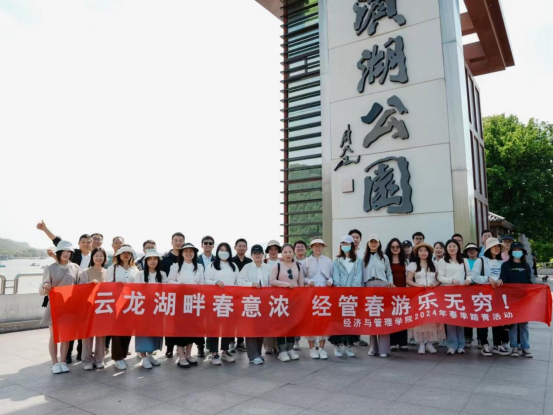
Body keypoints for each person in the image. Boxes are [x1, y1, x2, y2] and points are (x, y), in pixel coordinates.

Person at [40, 241, 80, 374]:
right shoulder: (50, 268)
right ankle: (54, 363)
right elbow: (44, 283)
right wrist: (45, 285)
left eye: (69, 251)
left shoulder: (75, 267)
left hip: (69, 306)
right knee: (54, 335)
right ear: (59, 252)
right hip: (55, 305)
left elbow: (80, 285)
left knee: (66, 336)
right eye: (64, 251)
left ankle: (63, 361)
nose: (66, 254)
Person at [167, 243, 205, 368]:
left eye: (191, 251)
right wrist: (179, 286)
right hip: (180, 302)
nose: (188, 253)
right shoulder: (175, 266)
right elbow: (169, 281)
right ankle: (181, 356)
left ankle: (188, 354)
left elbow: (202, 283)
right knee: (181, 330)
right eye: (186, 251)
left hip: (194, 302)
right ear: (181, 253)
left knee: (192, 329)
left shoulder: (199, 267)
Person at [471, 238, 509, 356]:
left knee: (497, 319)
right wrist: (487, 278)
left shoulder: (502, 262)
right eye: (494, 246)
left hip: (498, 295)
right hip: (484, 295)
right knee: (484, 318)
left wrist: (501, 279)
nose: (497, 248)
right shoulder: (481, 260)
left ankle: (497, 343)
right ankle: (484, 343)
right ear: (488, 248)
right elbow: (474, 277)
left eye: (498, 246)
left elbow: (505, 276)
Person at [205, 242, 239, 365]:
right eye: (221, 249)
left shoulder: (234, 266)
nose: (223, 252)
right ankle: (214, 353)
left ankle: (225, 351)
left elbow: (237, 282)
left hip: (229, 301)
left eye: (226, 250)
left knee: (227, 327)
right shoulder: (211, 266)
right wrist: (215, 282)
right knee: (214, 327)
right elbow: (205, 280)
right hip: (215, 301)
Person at [105, 244, 139, 370]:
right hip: (116, 303)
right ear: (119, 254)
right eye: (124, 252)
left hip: (130, 303)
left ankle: (123, 355)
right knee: (117, 332)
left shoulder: (134, 269)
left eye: (128, 253)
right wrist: (117, 286)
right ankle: (117, 357)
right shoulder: (112, 268)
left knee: (127, 331)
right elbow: (107, 285)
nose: (126, 255)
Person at [406, 242, 444, 354]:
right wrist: (418, 286)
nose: (423, 252)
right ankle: (421, 344)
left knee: (432, 319)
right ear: (417, 253)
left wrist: (435, 284)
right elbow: (408, 280)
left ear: (429, 253)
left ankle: (430, 343)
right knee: (420, 319)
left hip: (432, 296)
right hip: (419, 295)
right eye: (420, 250)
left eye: (425, 250)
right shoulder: (413, 265)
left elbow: (440, 279)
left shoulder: (435, 264)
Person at [497, 242, 533, 358]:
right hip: (511, 299)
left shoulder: (526, 266)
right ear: (511, 252)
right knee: (513, 323)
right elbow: (503, 279)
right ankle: (514, 347)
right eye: (515, 250)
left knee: (524, 324)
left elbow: (530, 282)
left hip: (524, 298)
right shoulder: (505, 265)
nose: (517, 251)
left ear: (522, 252)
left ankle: (525, 347)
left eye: (519, 250)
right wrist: (500, 279)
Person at [329, 235, 363, 357]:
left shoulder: (358, 260)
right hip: (340, 296)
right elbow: (336, 277)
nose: (345, 246)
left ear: (352, 245)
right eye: (343, 244)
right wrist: (340, 291)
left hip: (352, 296)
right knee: (338, 321)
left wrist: (352, 291)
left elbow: (358, 277)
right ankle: (337, 346)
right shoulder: (337, 260)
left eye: (347, 244)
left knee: (350, 321)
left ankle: (349, 346)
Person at [270, 243, 304, 362]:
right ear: (282, 254)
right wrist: (286, 285)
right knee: (281, 325)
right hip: (280, 300)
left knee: (292, 324)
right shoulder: (277, 266)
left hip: (294, 300)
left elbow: (300, 283)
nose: (288, 254)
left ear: (293, 252)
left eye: (290, 252)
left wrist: (300, 297)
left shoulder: (298, 266)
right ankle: (282, 350)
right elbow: (272, 281)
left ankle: (290, 348)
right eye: (285, 252)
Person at [238, 244, 271, 364]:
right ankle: (252, 356)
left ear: (263, 255)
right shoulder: (247, 268)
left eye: (259, 253)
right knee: (251, 328)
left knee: (260, 328)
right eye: (255, 253)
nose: (257, 255)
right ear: (251, 255)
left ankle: (258, 353)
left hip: (264, 302)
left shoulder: (268, 267)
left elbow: (272, 282)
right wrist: (251, 284)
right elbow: (240, 281)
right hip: (250, 302)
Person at [134, 249, 167, 369]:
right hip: (143, 308)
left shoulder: (162, 274)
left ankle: (150, 355)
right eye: (150, 259)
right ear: (146, 261)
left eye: (155, 259)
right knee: (143, 333)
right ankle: (143, 358)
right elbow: (135, 291)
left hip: (157, 308)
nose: (153, 261)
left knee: (155, 332)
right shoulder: (140, 274)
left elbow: (166, 290)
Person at [301, 238, 333, 359]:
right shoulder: (306, 262)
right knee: (311, 321)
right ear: (311, 248)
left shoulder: (328, 261)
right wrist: (309, 281)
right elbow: (302, 277)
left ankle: (322, 348)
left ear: (323, 247)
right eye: (315, 246)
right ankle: (312, 348)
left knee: (323, 320)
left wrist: (330, 281)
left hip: (324, 294)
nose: (318, 248)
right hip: (311, 294)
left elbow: (332, 276)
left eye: (320, 245)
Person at [437, 240, 471, 355]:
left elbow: (469, 274)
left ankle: (461, 345)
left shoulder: (464, 260)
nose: (452, 248)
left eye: (454, 246)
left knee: (460, 318)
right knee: (451, 319)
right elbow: (440, 277)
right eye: (449, 246)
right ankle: (452, 345)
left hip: (461, 293)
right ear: (446, 248)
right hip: (448, 293)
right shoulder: (442, 261)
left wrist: (468, 280)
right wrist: (451, 280)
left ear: (458, 247)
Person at [364, 234, 394, 357]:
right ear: (368, 243)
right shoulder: (363, 257)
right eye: (371, 242)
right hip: (369, 285)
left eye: (375, 242)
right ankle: (373, 348)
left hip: (382, 285)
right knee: (371, 317)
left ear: (379, 243)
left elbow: (389, 272)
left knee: (383, 316)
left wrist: (390, 282)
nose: (373, 244)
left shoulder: (384, 257)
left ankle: (383, 349)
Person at [78, 247, 108, 370]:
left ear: (105, 258)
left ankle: (99, 359)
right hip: (88, 308)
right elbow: (79, 290)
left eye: (101, 256)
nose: (99, 258)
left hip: (102, 307)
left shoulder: (108, 272)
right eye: (96, 256)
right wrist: (89, 285)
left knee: (101, 335)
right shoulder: (85, 272)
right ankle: (87, 361)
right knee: (87, 335)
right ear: (92, 257)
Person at [161, 232, 185, 358]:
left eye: (181, 240)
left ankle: (181, 348)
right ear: (172, 242)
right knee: (170, 323)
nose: (178, 243)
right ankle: (169, 347)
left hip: (185, 297)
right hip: (170, 296)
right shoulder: (165, 259)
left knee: (182, 323)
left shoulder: (187, 257)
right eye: (176, 240)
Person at [386, 238, 408, 351]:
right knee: (392, 317)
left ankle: (403, 342)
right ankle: (393, 342)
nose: (395, 249)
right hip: (390, 293)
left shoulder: (405, 261)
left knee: (403, 317)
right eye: (393, 247)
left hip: (403, 294)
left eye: (397, 246)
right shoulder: (386, 260)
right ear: (389, 248)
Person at [231, 238, 252, 353]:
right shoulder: (230, 260)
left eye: (244, 246)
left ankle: (240, 341)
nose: (241, 248)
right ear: (235, 247)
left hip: (245, 295)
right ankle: (230, 341)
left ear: (247, 248)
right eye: (239, 246)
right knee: (232, 318)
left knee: (242, 318)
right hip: (232, 294)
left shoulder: (249, 261)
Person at [196, 235, 215, 357]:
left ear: (213, 245)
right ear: (202, 245)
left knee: (211, 321)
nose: (208, 245)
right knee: (199, 322)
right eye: (206, 243)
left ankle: (210, 344)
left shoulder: (217, 259)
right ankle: (200, 347)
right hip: (199, 295)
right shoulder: (196, 259)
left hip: (213, 295)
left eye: (210, 243)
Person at [462, 243, 480, 348]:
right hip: (467, 288)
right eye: (469, 250)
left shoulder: (481, 261)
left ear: (477, 251)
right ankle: (468, 337)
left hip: (479, 288)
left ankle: (480, 338)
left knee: (479, 313)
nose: (472, 251)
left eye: (474, 249)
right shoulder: (463, 261)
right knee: (468, 313)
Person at [292, 240, 308, 350]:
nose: (300, 248)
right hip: (295, 293)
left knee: (309, 317)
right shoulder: (291, 261)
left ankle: (314, 340)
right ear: (294, 250)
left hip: (309, 292)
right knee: (296, 318)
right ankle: (296, 340)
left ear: (306, 249)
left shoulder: (310, 261)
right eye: (298, 247)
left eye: (302, 246)